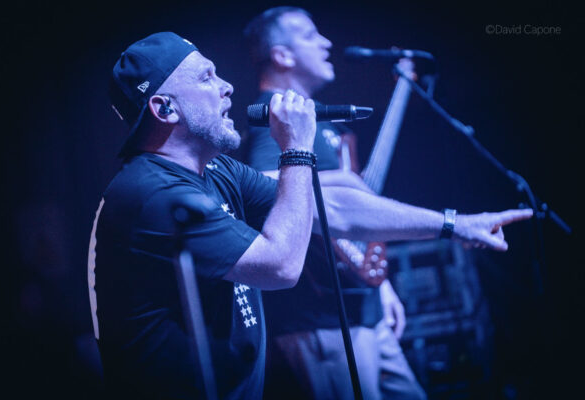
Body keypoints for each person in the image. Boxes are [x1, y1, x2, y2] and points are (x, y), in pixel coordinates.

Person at [243, 7, 532, 400]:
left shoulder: (317, 123)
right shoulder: (275, 119)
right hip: (322, 319)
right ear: (282, 55)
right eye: (310, 35)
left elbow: (346, 225)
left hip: (362, 309)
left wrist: (381, 287)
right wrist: (345, 181)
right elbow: (261, 186)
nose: (326, 42)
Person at [88, 31, 320, 399]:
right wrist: (296, 149)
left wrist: (428, 224)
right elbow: (281, 266)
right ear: (165, 108)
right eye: (206, 77)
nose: (227, 86)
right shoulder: (152, 194)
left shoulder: (216, 170)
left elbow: (320, 206)